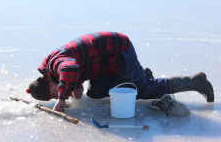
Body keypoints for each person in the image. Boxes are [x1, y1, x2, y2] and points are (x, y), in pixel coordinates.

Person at [26, 31, 214, 112]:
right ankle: (140, 75)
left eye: (52, 94)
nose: (56, 96)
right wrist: (77, 85)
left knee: (145, 90)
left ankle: (196, 81)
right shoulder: (51, 68)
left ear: (50, 83)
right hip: (105, 62)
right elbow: (77, 64)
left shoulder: (56, 65)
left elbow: (70, 67)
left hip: (119, 50)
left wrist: (61, 97)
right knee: (95, 93)